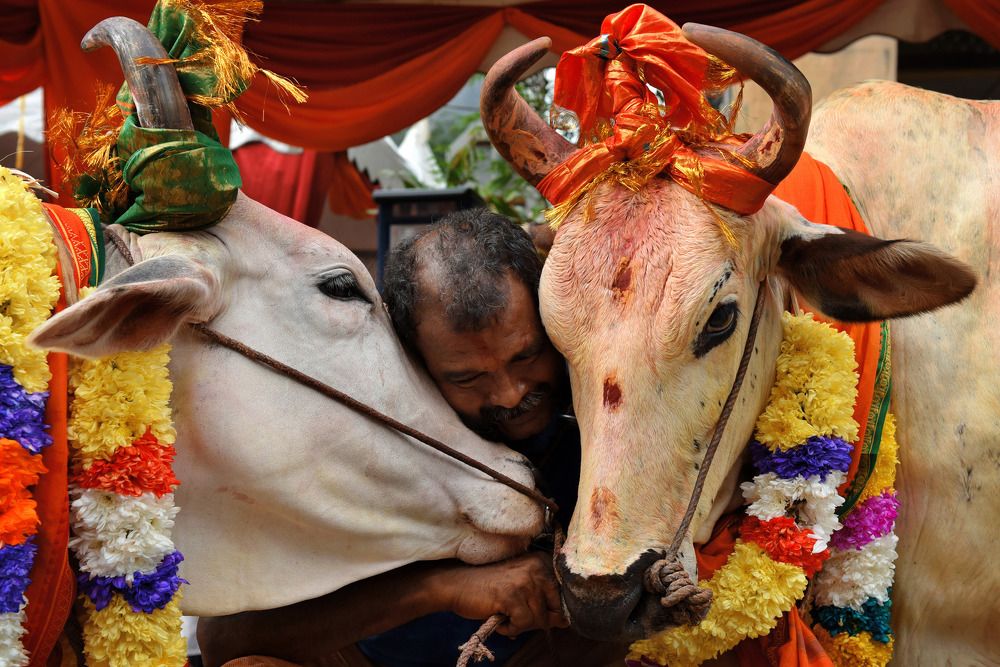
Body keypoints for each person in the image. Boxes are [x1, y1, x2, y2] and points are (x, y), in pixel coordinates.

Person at [198, 209, 623, 667]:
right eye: (467, 378)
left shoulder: (615, 425)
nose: (509, 394)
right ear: (411, 360)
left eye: (526, 355)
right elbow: (223, 638)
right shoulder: (354, 446)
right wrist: (441, 590)